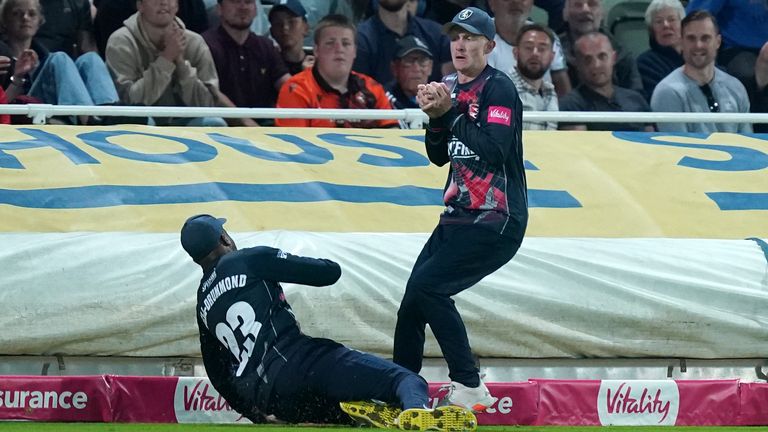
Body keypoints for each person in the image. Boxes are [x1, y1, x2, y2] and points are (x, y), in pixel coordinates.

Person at [179, 214, 478, 431]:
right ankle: (419, 413)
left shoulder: (202, 302)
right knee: (406, 380)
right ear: (224, 238)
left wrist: (256, 413)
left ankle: (396, 414)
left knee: (365, 411)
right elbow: (327, 273)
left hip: (268, 397)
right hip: (300, 363)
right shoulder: (247, 259)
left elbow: (218, 375)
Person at [393, 7, 527, 413]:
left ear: (489, 46)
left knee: (431, 288)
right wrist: (434, 118)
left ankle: (469, 385)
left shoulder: (498, 88)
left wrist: (448, 112)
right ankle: (401, 390)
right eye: (456, 37)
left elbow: (493, 150)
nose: (460, 44)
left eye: (470, 37)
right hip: (457, 215)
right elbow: (438, 156)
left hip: (496, 217)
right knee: (413, 300)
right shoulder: (448, 85)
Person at [105, 0, 227, 126]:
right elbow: (129, 103)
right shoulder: (121, 42)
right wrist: (166, 59)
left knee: (214, 123)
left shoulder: (195, 42)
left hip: (185, 122)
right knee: (144, 122)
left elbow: (208, 105)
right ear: (140, 5)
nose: (163, 2)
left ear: (177, 6)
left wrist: (180, 63)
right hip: (142, 122)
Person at [0, 0, 119, 124]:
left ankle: (110, 113)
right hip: (26, 110)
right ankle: (87, 120)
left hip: (53, 102)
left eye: (32, 14)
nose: (25, 18)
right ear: (4, 20)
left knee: (90, 59)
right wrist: (18, 77)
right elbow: (4, 105)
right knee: (59, 58)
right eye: (17, 14)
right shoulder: (2, 55)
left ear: (40, 21)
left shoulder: (42, 54)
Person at [275, 14, 398, 128]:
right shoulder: (296, 89)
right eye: (330, 43)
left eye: (346, 43)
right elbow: (292, 145)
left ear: (355, 51)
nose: (339, 49)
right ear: (316, 51)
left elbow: (394, 136)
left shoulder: (372, 88)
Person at [650, 10, 751, 134]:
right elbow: (677, 148)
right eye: (691, 38)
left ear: (718, 42)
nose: (698, 45)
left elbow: (747, 144)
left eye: (705, 38)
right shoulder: (667, 92)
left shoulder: (736, 87)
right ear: (681, 42)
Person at [202, 0, 290, 126]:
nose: (243, 7)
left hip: (267, 126)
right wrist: (249, 125)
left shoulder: (266, 46)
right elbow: (212, 93)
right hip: (222, 131)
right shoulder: (205, 44)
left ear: (255, 10)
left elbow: (287, 85)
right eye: (236, 1)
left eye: (248, 2)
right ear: (219, 9)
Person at [559, 32, 652, 131]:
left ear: (614, 58)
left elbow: (651, 141)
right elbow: (578, 145)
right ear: (577, 64)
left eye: (602, 56)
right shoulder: (570, 105)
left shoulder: (636, 99)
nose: (596, 65)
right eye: (587, 59)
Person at [354, 0, 452, 86]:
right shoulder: (359, 39)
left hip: (433, 106)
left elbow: (452, 89)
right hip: (379, 106)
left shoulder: (438, 34)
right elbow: (361, 93)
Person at [486, 0, 571, 97]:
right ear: (492, 3)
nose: (516, 2)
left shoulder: (547, 37)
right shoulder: (476, 38)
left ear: (531, 4)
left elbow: (563, 89)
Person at [558, 0, 642, 93]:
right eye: (578, 5)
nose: (585, 10)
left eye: (592, 4)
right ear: (565, 14)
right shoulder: (551, 53)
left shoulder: (621, 53)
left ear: (602, 13)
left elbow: (636, 99)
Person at [510, 22, 559, 130]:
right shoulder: (501, 88)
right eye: (528, 47)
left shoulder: (550, 91)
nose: (535, 53)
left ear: (552, 57)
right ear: (515, 53)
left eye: (542, 49)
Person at [635, 0, 684, 101]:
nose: (666, 25)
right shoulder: (645, 64)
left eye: (672, 19)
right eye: (659, 21)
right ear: (652, 30)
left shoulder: (695, 58)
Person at [386, 35, 433, 115]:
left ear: (430, 67)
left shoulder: (440, 98)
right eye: (409, 60)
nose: (417, 69)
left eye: (422, 61)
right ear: (395, 68)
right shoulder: (384, 99)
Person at [268, 0, 313, 75]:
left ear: (306, 28)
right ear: (272, 32)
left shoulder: (319, 65)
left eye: (292, 22)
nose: (285, 27)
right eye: (278, 23)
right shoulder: (267, 67)